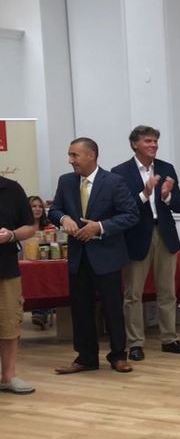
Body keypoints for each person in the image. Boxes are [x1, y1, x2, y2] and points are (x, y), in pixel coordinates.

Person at [49, 137, 139, 374]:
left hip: (107, 256)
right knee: (81, 309)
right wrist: (63, 218)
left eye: (74, 155)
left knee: (112, 309)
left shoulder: (114, 182)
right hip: (79, 257)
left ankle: (118, 356)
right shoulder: (66, 182)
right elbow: (54, 209)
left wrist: (99, 227)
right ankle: (85, 358)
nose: (70, 160)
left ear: (91, 155)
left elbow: (130, 215)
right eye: (70, 155)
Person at [111, 125, 180, 361]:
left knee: (167, 291)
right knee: (132, 293)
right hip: (136, 236)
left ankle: (170, 339)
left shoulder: (167, 168)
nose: (153, 145)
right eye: (148, 141)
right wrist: (145, 194)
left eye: (155, 141)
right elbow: (122, 209)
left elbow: (179, 205)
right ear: (135, 144)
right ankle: (135, 343)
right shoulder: (120, 172)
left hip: (164, 234)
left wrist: (166, 194)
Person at [0, 177, 39, 394]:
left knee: (9, 324)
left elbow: (30, 227)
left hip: (5, 269)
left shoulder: (11, 189)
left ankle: (8, 376)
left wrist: (12, 235)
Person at [27, 195, 55, 329]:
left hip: (46, 264)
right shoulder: (21, 227)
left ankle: (41, 313)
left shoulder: (49, 226)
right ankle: (39, 312)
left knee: (47, 278)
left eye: (40, 206)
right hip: (27, 265)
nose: (37, 209)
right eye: (34, 206)